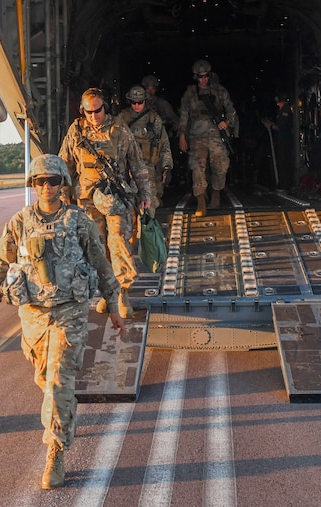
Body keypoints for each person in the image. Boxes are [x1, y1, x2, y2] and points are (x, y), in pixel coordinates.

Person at [0, 154, 125, 490]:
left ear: (64, 184)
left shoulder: (78, 220)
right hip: (33, 315)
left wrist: (114, 304)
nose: (47, 187)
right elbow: (0, 260)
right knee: (46, 380)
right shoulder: (19, 222)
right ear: (33, 185)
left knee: (59, 382)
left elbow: (100, 262)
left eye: (53, 181)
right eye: (40, 181)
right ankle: (64, 408)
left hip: (70, 312)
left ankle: (56, 452)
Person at [58, 87, 154, 318]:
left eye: (98, 110)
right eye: (89, 112)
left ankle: (122, 294)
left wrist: (145, 194)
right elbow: (65, 164)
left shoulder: (119, 129)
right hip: (88, 200)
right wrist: (63, 195)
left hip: (116, 196)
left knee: (118, 242)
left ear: (105, 108)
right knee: (97, 248)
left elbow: (137, 163)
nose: (93, 116)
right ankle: (108, 294)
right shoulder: (76, 130)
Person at [178, 59, 238, 216]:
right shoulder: (190, 93)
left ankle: (216, 195)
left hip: (216, 134)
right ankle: (201, 202)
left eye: (206, 76)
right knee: (197, 167)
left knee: (221, 165)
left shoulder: (219, 91)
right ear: (195, 77)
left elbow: (231, 108)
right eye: (200, 77)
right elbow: (184, 115)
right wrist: (182, 136)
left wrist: (227, 122)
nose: (203, 80)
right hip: (197, 135)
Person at [120, 85, 173, 213]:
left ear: (145, 101)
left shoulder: (154, 119)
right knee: (128, 203)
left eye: (140, 102)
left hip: (147, 165)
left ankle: (147, 230)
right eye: (133, 102)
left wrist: (167, 166)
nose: (136, 105)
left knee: (149, 202)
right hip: (126, 166)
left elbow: (164, 143)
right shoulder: (122, 118)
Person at [263, 91, 295, 191]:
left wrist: (272, 126)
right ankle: (281, 182)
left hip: (285, 140)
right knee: (280, 161)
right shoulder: (281, 110)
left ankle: (285, 184)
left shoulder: (285, 110)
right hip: (281, 139)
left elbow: (283, 127)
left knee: (283, 161)